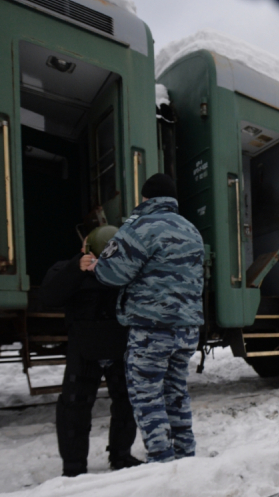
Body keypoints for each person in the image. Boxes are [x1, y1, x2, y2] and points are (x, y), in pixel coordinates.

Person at [86, 174, 205, 464]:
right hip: (187, 330)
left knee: (147, 394)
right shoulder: (192, 230)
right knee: (176, 392)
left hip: (152, 330)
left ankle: (162, 459)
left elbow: (113, 272)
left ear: (146, 198)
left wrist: (95, 266)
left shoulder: (140, 227)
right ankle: (186, 455)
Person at [39, 226, 141, 477]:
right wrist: (76, 267)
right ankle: (74, 466)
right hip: (85, 349)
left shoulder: (126, 270)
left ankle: (121, 455)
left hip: (118, 347)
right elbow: (49, 296)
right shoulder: (70, 268)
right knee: (74, 408)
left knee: (126, 404)